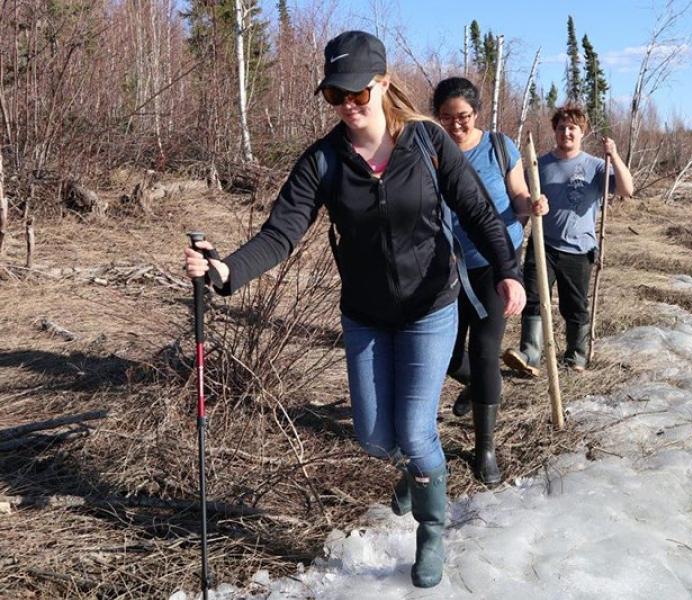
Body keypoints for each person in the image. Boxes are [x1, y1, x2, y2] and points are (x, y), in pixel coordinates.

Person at [183, 31, 525, 589]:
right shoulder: (324, 161)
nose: (347, 105)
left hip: (430, 306)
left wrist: (507, 271)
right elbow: (279, 233)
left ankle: (431, 530)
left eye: (358, 94)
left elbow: (480, 211)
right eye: (335, 95)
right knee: (373, 436)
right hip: (366, 314)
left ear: (383, 84)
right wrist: (226, 272)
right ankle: (418, 470)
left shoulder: (428, 143)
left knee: (416, 434)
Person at [431, 77, 546, 485]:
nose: (455, 125)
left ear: (476, 114)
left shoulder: (499, 146)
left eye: (462, 116)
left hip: (494, 263)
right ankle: (478, 383)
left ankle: (485, 449)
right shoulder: (429, 150)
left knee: (484, 350)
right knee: (444, 354)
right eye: (446, 117)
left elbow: (516, 195)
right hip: (444, 265)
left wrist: (529, 204)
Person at [503, 103, 633, 375]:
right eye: (561, 128)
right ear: (555, 130)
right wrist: (513, 239)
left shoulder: (596, 166)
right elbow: (523, 206)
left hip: (579, 248)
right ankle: (531, 354)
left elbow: (626, 189)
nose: (566, 133)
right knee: (534, 298)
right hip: (543, 245)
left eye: (572, 128)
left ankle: (576, 356)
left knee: (574, 306)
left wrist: (615, 156)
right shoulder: (540, 165)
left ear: (581, 131)